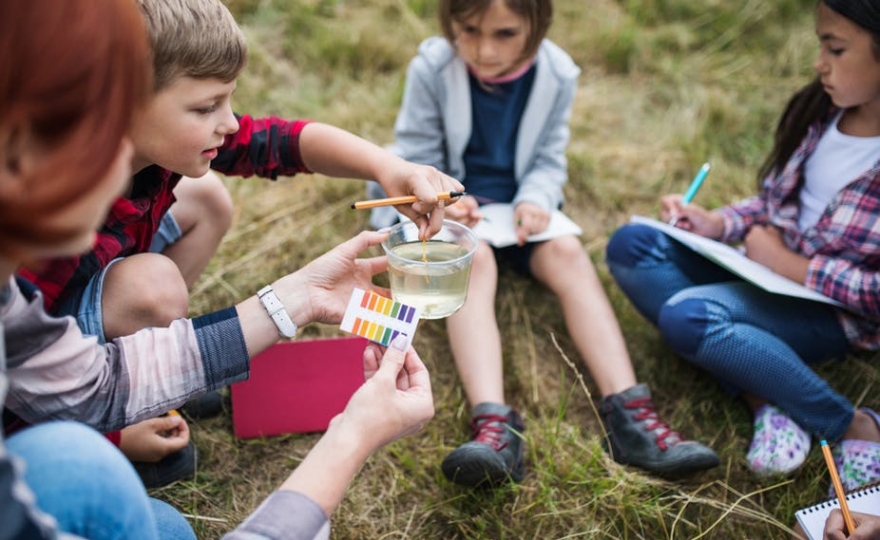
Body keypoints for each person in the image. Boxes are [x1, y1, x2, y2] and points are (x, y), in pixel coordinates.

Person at [0, 2, 435, 535]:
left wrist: (384, 167)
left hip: (65, 358)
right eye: (207, 107)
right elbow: (39, 391)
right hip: (44, 389)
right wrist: (114, 436)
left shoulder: (132, 160)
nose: (229, 124)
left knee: (206, 197)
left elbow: (276, 140)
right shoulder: (34, 263)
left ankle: (159, 375)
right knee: (152, 290)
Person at [367, 0, 720, 488]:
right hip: (453, 209)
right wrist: (450, 198)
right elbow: (416, 152)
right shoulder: (434, 65)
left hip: (520, 214)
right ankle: (494, 426)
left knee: (569, 254)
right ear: (450, 23)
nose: (484, 49)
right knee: (476, 263)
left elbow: (549, 158)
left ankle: (632, 417)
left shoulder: (557, 72)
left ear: (538, 25)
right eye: (467, 30)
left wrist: (535, 199)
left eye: (505, 34)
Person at [606, 0, 880, 491]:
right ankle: (766, 396)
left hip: (830, 312)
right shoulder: (823, 112)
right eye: (821, 43)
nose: (820, 62)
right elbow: (777, 205)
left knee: (689, 316)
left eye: (835, 48)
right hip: (761, 272)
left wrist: (788, 264)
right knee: (632, 244)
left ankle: (852, 426)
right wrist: (716, 223)